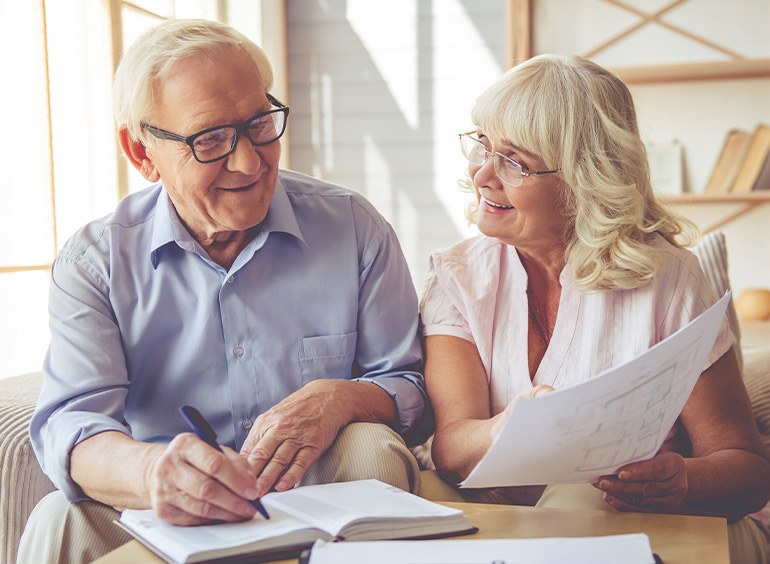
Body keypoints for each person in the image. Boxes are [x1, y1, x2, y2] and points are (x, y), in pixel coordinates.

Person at [19, 18, 429, 564]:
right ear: (141, 153)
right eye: (210, 139)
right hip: (166, 509)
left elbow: (409, 384)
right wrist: (150, 473)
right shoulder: (94, 263)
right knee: (58, 520)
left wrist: (344, 396)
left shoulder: (353, 226)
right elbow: (73, 424)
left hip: (316, 499)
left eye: (260, 123)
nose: (250, 161)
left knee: (371, 446)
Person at [418, 54, 770, 564]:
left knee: (578, 496)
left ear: (586, 177)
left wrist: (683, 481)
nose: (483, 176)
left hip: (642, 521)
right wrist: (509, 424)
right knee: (418, 495)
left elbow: (746, 471)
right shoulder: (457, 274)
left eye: (514, 161)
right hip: (506, 512)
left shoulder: (668, 278)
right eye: (483, 147)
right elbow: (452, 450)